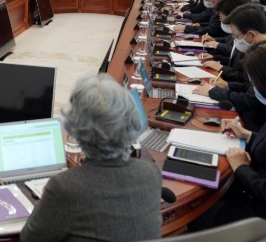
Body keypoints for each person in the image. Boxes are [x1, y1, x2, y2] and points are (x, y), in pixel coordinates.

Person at [20, 74, 162, 242]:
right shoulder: (150, 172)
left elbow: (29, 239)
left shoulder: (65, 186)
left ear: (76, 127)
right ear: (132, 120)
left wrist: (47, 200)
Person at [189, 41, 266, 231]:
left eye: (254, 84)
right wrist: (248, 135)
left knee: (197, 214)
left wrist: (241, 168)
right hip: (248, 183)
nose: (252, 89)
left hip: (257, 208)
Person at [193, 4, 266, 131]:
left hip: (255, 126)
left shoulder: (263, 56)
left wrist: (214, 92)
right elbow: (250, 87)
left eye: (236, 36)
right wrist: (227, 85)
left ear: (251, 34)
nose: (234, 39)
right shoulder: (258, 49)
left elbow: (252, 99)